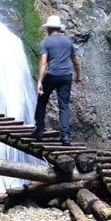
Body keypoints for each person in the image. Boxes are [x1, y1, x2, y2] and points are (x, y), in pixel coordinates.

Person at [32, 15, 82, 145]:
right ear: (59, 29)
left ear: (48, 28)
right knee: (64, 106)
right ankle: (65, 136)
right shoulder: (67, 42)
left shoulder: (46, 42)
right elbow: (75, 62)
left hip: (53, 74)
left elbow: (43, 63)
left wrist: (39, 82)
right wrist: (78, 76)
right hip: (67, 75)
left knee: (42, 101)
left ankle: (39, 131)